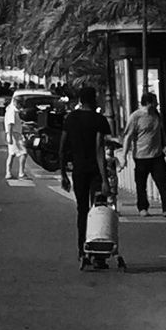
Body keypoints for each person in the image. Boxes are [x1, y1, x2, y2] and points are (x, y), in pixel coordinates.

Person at [57, 86, 115, 263]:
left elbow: (62, 148)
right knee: (99, 209)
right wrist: (105, 180)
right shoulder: (99, 120)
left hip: (79, 171)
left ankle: (82, 250)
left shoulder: (71, 119)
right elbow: (99, 150)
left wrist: (63, 174)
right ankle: (99, 254)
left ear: (81, 100)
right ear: (94, 100)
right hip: (96, 171)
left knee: (82, 210)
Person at [124, 93, 166, 214]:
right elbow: (128, 137)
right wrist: (124, 156)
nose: (157, 104)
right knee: (141, 184)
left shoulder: (156, 115)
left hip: (157, 155)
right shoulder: (135, 117)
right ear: (149, 103)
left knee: (163, 182)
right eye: (155, 101)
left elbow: (162, 133)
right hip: (141, 156)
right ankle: (143, 208)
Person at [3, 95, 29, 183]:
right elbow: (10, 125)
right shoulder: (12, 111)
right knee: (23, 153)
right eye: (20, 104)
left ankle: (8, 173)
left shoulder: (12, 110)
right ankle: (21, 173)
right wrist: (10, 137)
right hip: (14, 135)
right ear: (16, 103)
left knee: (11, 154)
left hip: (13, 134)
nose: (21, 106)